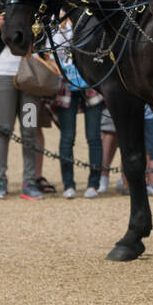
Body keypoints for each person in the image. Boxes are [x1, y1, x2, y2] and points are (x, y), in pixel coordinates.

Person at [0, 13, 42, 200]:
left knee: (30, 129)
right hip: (3, 76)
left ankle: (29, 181)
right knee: (3, 129)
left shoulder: (36, 6)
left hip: (31, 79)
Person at [52, 13, 103, 198]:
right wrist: (63, 27)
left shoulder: (88, 18)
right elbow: (52, 50)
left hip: (91, 83)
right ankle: (68, 185)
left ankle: (94, 183)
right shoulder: (55, 23)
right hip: (65, 84)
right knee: (67, 137)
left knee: (93, 136)